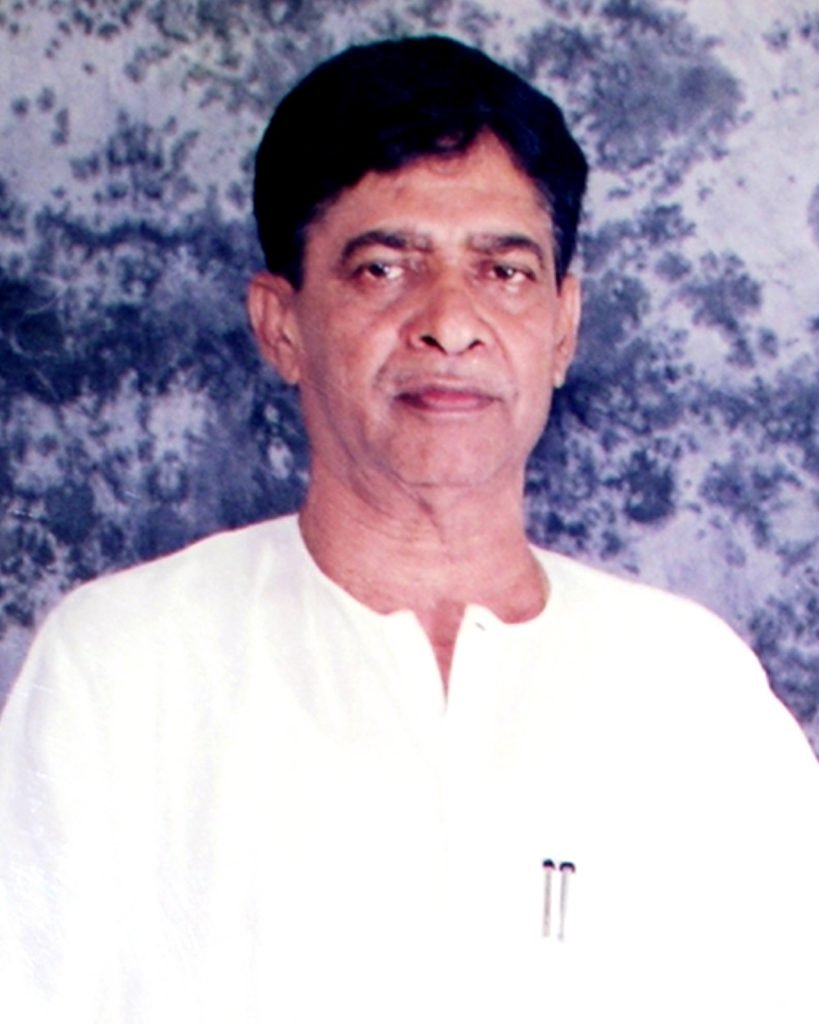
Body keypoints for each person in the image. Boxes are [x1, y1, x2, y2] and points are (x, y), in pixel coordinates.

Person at [1, 35, 817, 1023]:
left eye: (504, 271)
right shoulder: (123, 667)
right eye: (383, 268)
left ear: (563, 327)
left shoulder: (691, 688)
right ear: (281, 324)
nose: (451, 323)